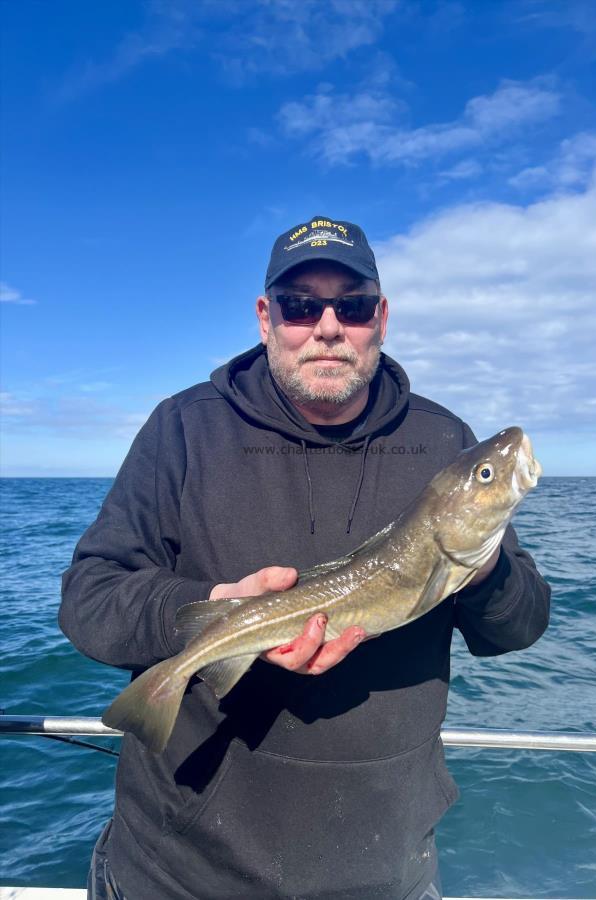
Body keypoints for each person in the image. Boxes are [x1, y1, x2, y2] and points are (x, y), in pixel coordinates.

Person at [60, 215, 550, 900]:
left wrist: (484, 564)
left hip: (383, 872)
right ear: (266, 317)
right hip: (180, 873)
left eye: (350, 306)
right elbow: (88, 599)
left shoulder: (446, 444)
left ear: (380, 317)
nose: (326, 326)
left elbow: (518, 629)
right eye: (300, 305)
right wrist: (202, 613)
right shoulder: (182, 427)